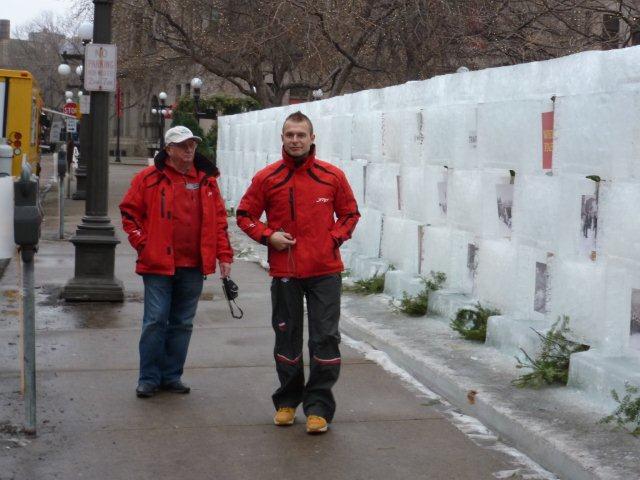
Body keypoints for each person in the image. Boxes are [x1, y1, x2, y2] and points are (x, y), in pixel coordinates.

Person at [236, 111, 360, 434]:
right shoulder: (268, 178)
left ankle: (318, 407)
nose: (295, 140)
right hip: (285, 272)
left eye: (301, 135)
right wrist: (268, 236)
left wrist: (331, 239)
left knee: (325, 339)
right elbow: (245, 215)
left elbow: (350, 214)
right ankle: (288, 401)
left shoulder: (331, 176)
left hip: (324, 272)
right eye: (289, 134)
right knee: (287, 337)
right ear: (282, 138)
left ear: (312, 138)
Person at [120, 125, 233, 398]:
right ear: (168, 149)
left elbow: (219, 221)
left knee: (182, 322)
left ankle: (171, 376)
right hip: (158, 264)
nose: (189, 149)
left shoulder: (207, 181)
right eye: (183, 145)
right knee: (155, 321)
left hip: (193, 265)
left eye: (192, 144)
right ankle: (148, 378)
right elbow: (129, 214)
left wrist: (224, 256)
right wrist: (143, 244)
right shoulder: (148, 178)